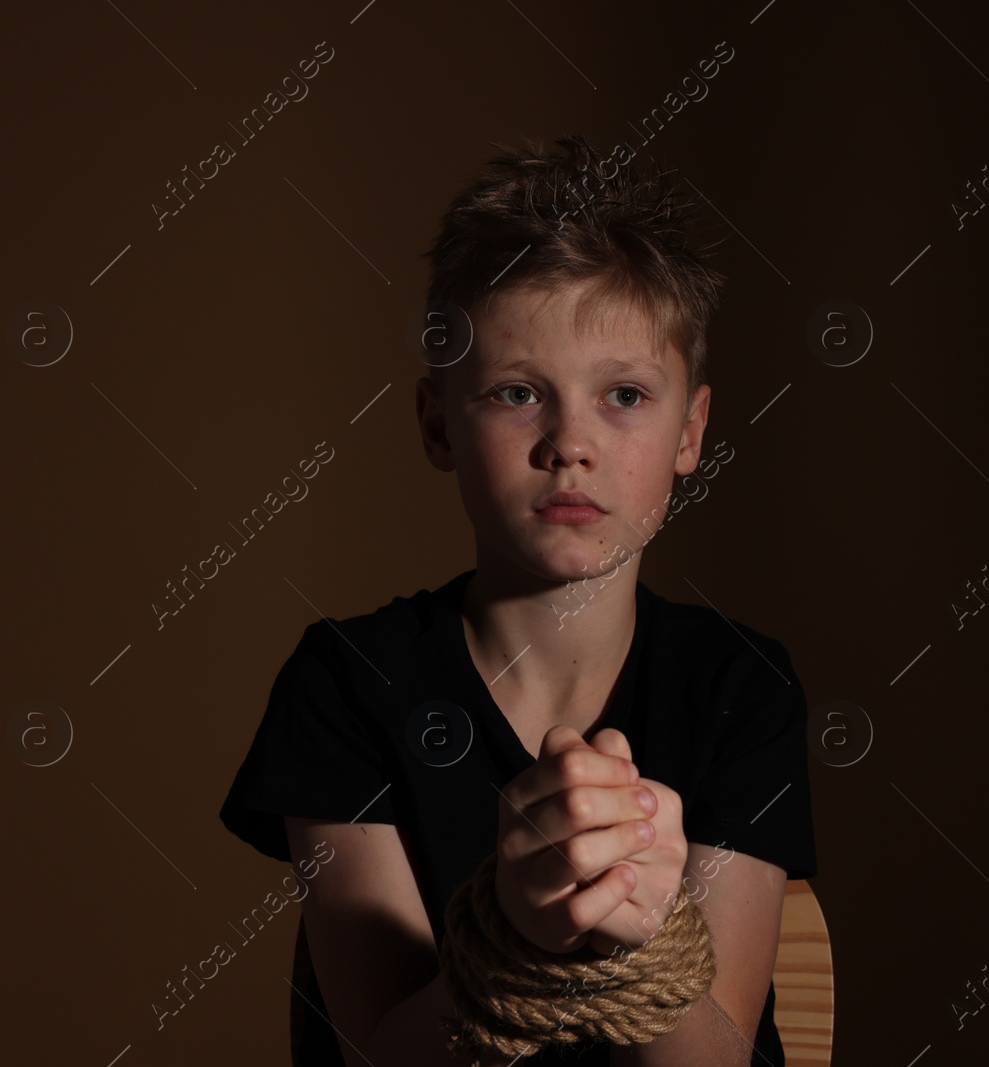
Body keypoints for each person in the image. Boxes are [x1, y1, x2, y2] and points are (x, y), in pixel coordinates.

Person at [218, 134, 818, 1066]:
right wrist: (513, 937)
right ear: (437, 424)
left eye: (623, 393)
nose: (570, 443)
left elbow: (715, 1056)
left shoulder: (740, 683)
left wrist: (644, 934)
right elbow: (382, 1053)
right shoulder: (347, 682)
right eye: (514, 393)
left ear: (692, 431)